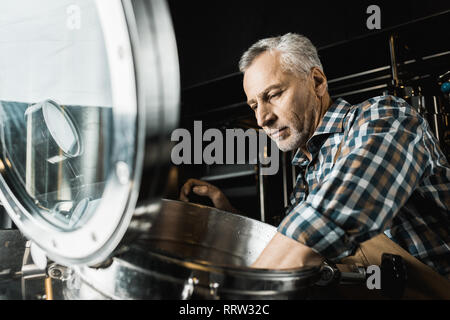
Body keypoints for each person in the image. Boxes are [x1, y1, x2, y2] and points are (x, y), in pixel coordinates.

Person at [179, 33, 450, 285]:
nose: (262, 118)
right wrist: (228, 216)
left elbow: (340, 210)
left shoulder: (385, 118)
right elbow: (285, 243)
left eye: (273, 95)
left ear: (317, 82)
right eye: (254, 105)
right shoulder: (308, 174)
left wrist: (237, 295)